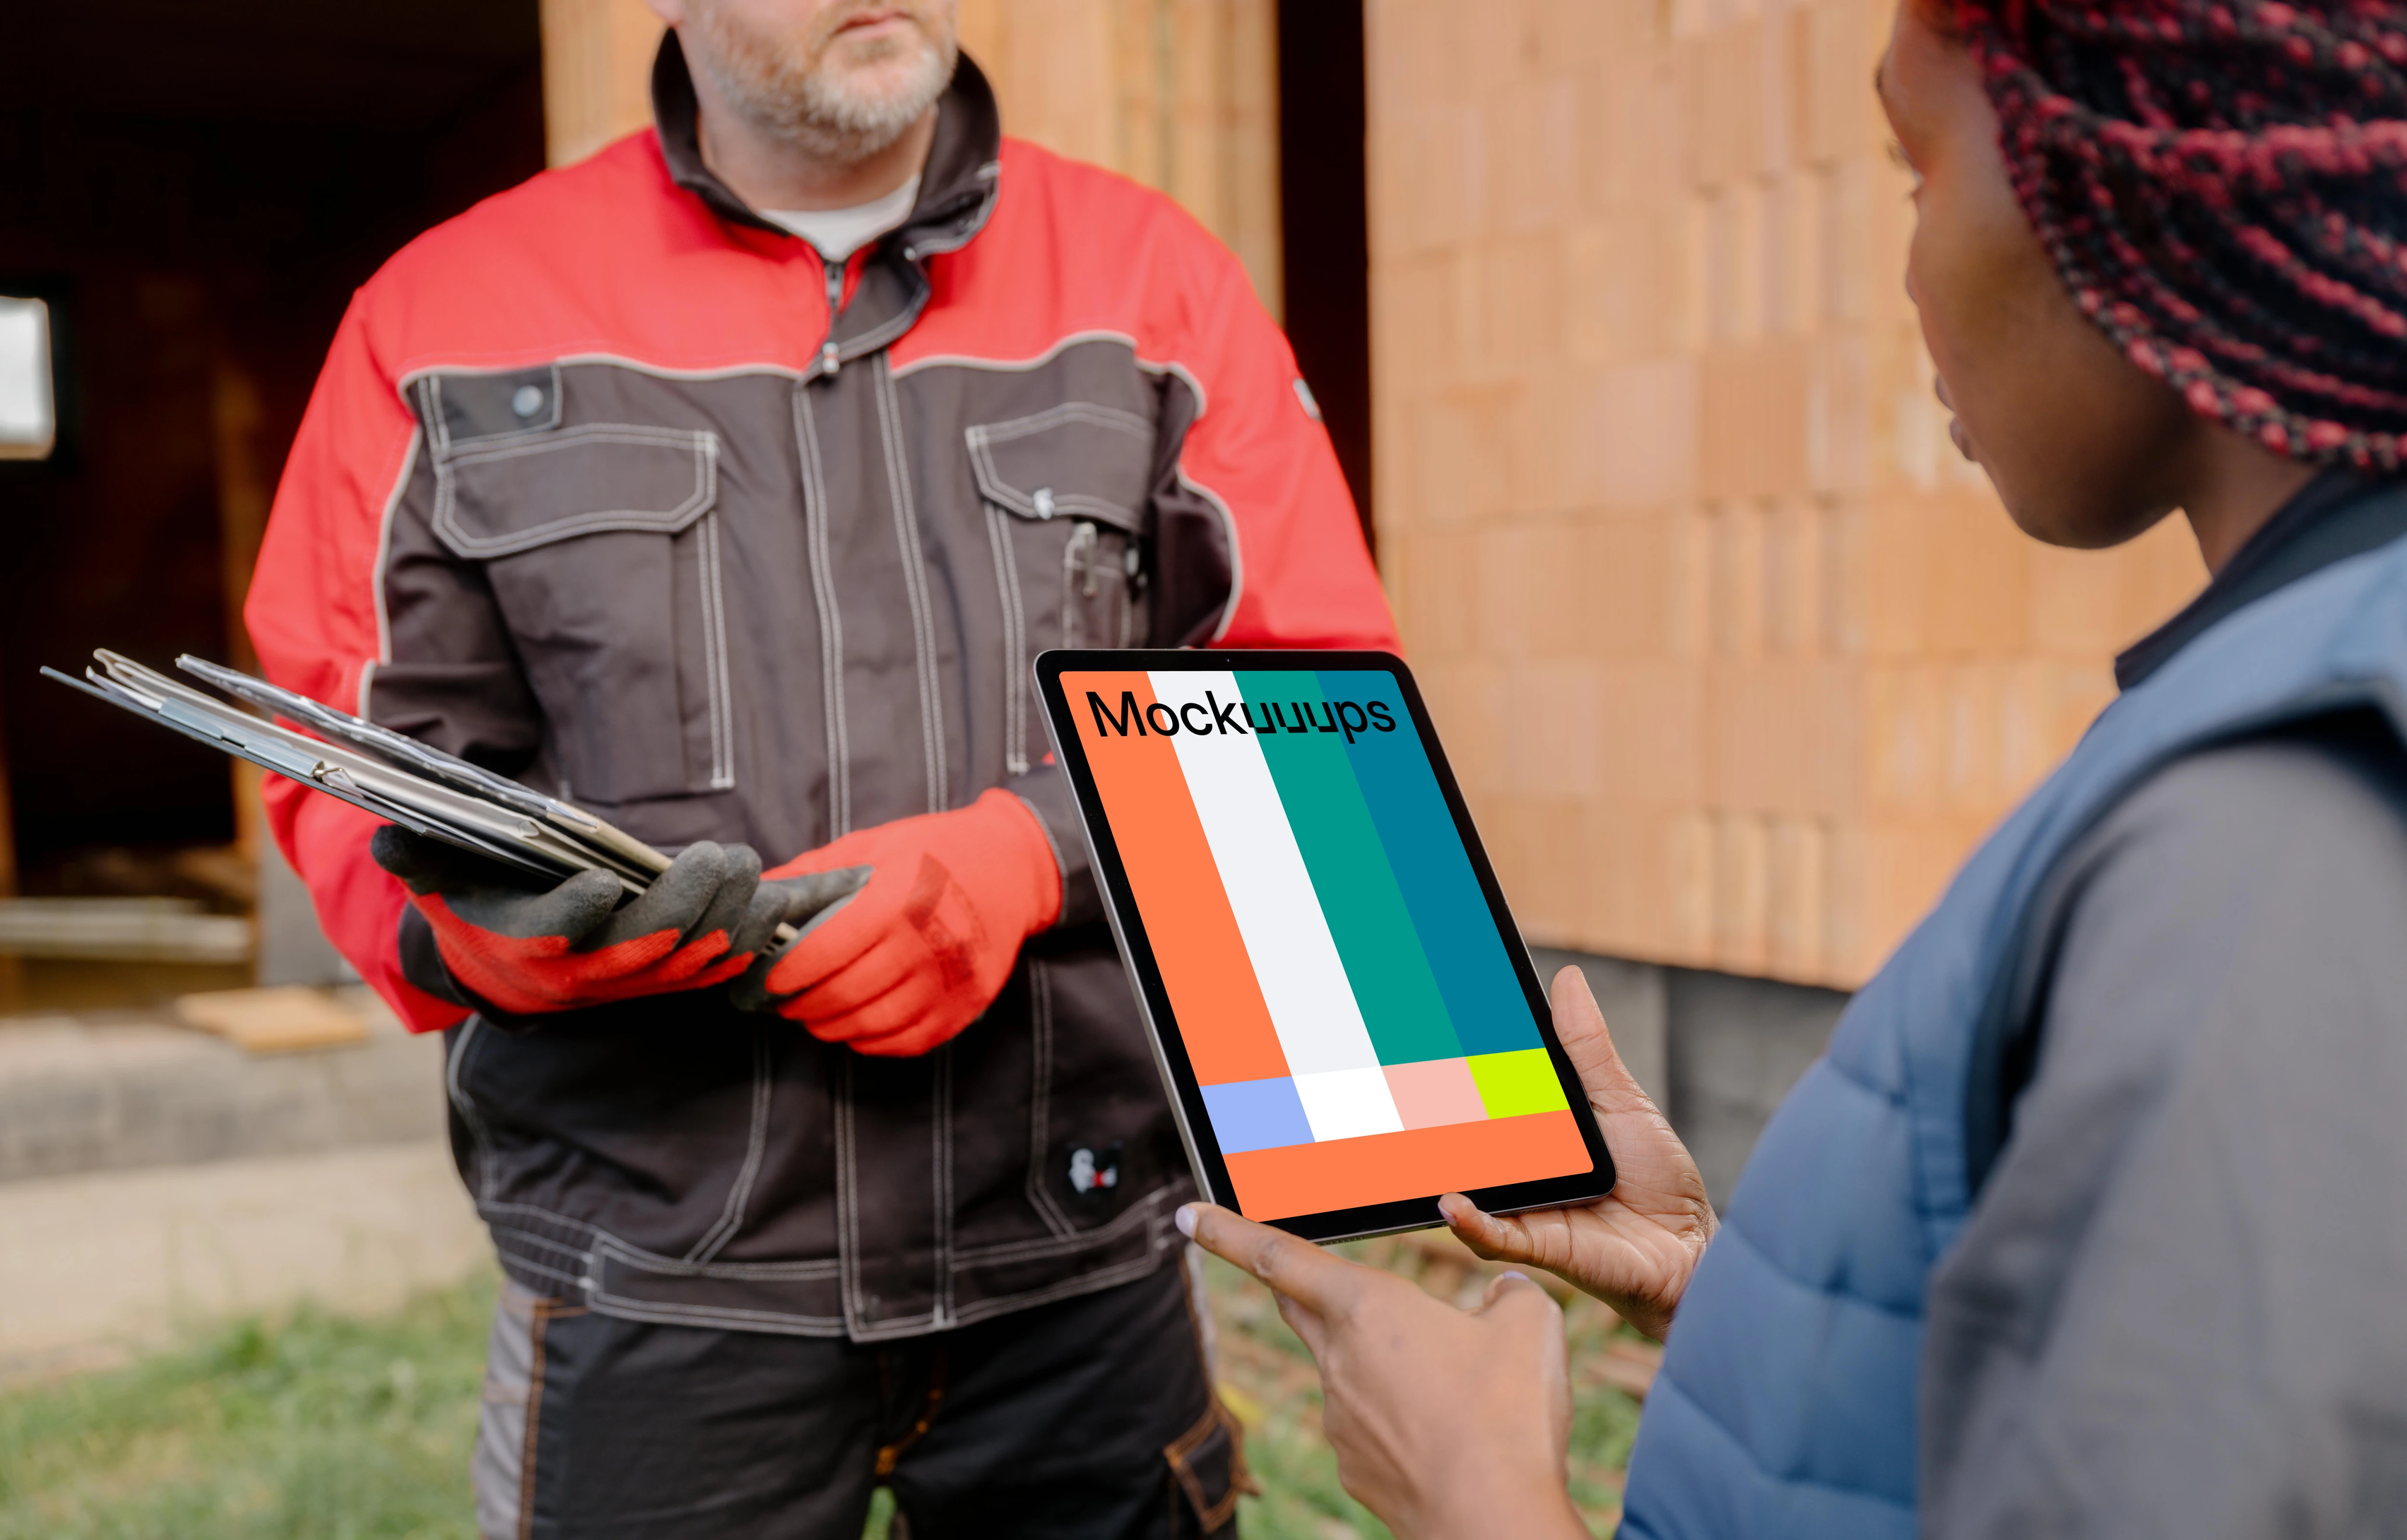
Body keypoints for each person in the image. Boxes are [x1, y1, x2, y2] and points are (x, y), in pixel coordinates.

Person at [1183, 0, 2407, 1535]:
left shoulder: (2288, 812)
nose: (1907, 269)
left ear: (2134, 175)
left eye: (1915, 169)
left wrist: (1475, 1495)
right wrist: (1737, 1293)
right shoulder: (2289, 689)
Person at [244, 0, 1396, 1534]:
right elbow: (343, 758)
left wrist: (1025, 858)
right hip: (655, 1277)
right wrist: (475, 939)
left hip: (1083, 1253)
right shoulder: (443, 314)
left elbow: (1318, 719)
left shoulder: (1154, 284)